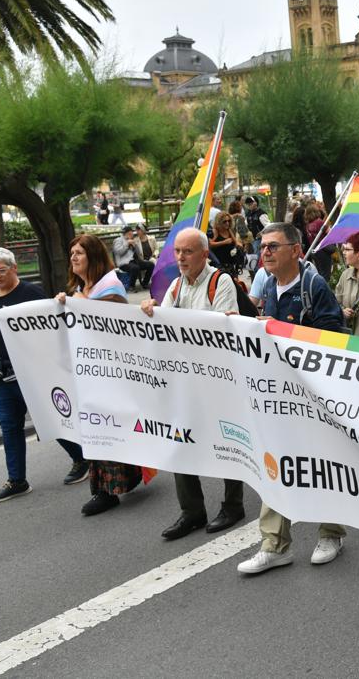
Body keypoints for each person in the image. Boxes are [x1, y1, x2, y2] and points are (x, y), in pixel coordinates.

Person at [237, 222, 348, 575]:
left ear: (296, 250)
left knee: (321, 464)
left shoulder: (315, 286)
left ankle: (331, 533)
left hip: (313, 396)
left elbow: (335, 339)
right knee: (274, 462)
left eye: (273, 246)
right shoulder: (269, 284)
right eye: (263, 246)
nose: (265, 252)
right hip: (276, 394)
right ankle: (275, 544)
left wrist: (283, 331)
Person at [140, 228, 246, 540]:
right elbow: (166, 330)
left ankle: (233, 504)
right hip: (184, 379)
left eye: (187, 252)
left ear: (203, 253)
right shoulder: (175, 286)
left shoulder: (220, 281)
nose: (181, 258)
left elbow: (219, 331)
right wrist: (152, 313)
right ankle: (192, 510)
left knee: (226, 442)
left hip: (216, 380)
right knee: (180, 441)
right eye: (177, 252)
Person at [0, 247, 88, 502]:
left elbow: (49, 330)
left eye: (1, 270)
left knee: (49, 420)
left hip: (29, 373)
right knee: (9, 427)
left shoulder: (30, 293)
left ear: (14, 268)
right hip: (0, 374)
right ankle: (17, 479)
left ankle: (82, 458)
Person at [58, 234, 144, 516]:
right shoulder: (82, 288)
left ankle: (108, 491)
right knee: (96, 428)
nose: (74, 258)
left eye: (79, 253)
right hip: (89, 374)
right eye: (72, 253)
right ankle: (107, 486)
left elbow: (108, 327)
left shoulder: (110, 286)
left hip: (109, 373)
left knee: (105, 428)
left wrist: (76, 303)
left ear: (93, 257)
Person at [208, 211, 245, 278]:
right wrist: (223, 242)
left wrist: (240, 245)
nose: (227, 223)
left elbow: (236, 242)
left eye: (229, 221)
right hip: (219, 265)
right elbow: (209, 244)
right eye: (224, 221)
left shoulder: (229, 230)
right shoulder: (214, 231)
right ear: (219, 222)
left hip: (230, 265)